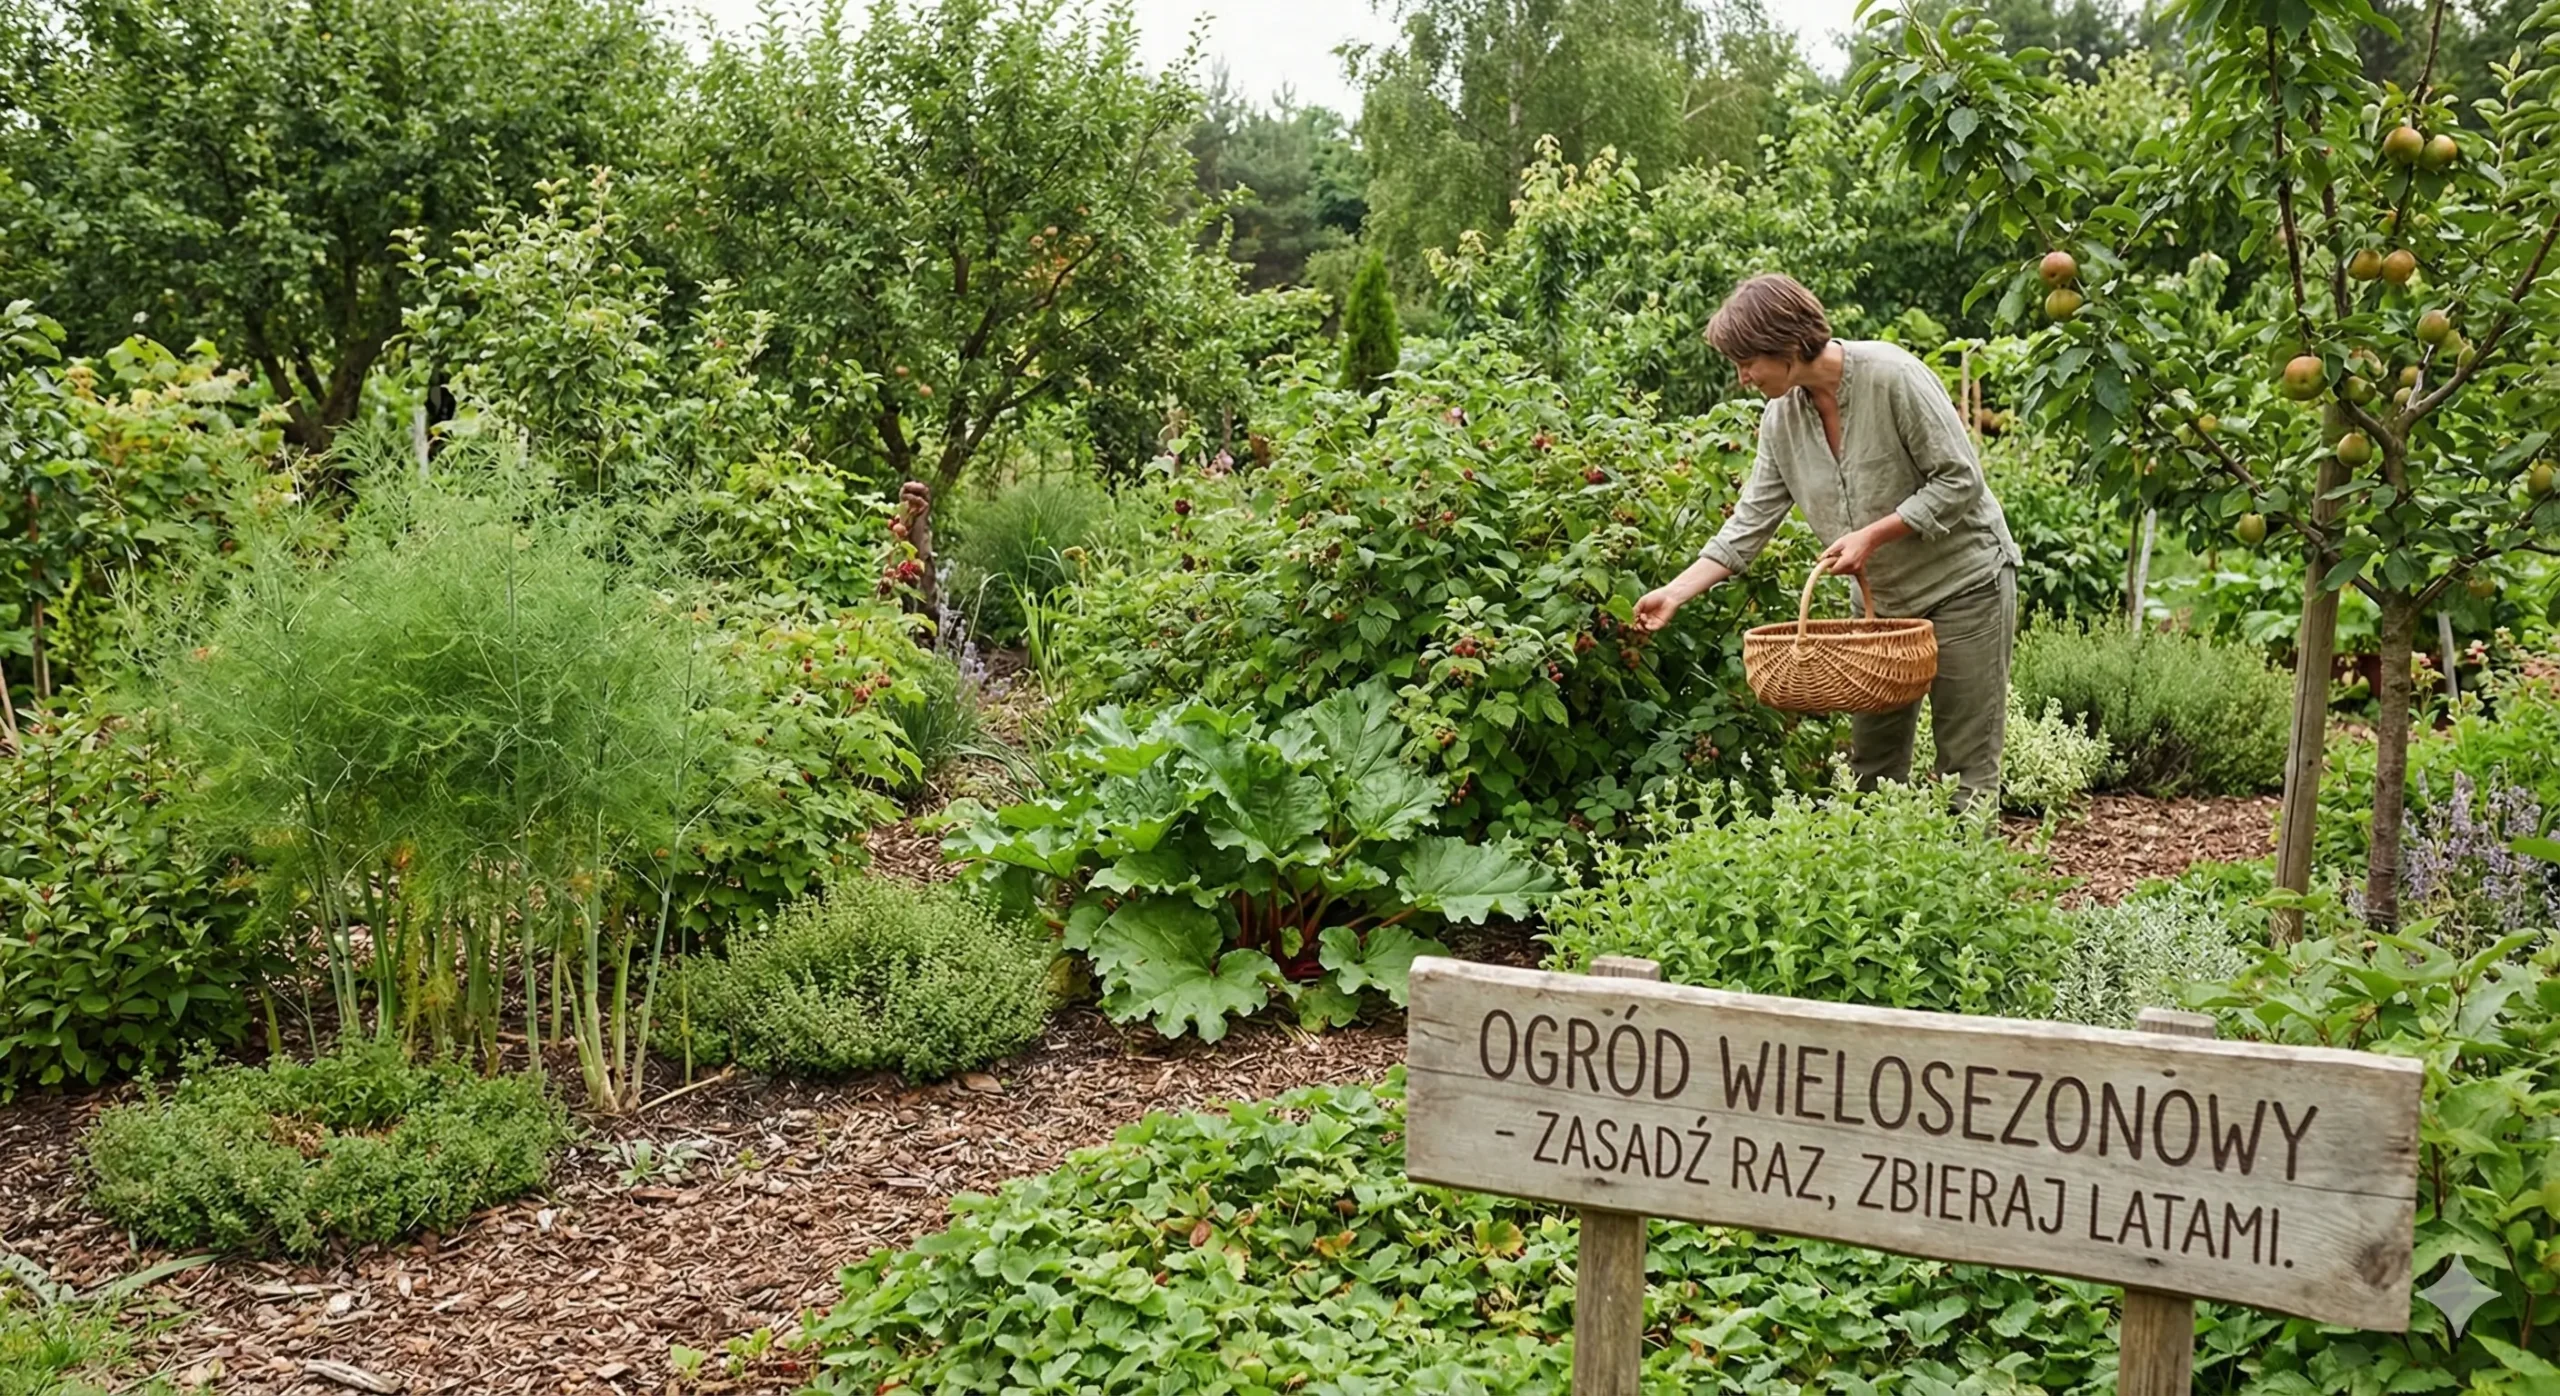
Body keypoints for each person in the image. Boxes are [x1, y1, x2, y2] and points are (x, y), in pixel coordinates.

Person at [1633, 273, 2021, 805]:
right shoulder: (1781, 419)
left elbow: (1960, 479)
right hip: (1877, 611)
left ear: (1789, 345)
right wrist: (1674, 593)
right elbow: (1749, 522)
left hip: (1964, 587)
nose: (1743, 377)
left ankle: (1969, 883)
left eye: (1748, 362)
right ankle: (1882, 886)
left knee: (1965, 767)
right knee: (1870, 772)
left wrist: (1874, 535)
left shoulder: (1893, 377)